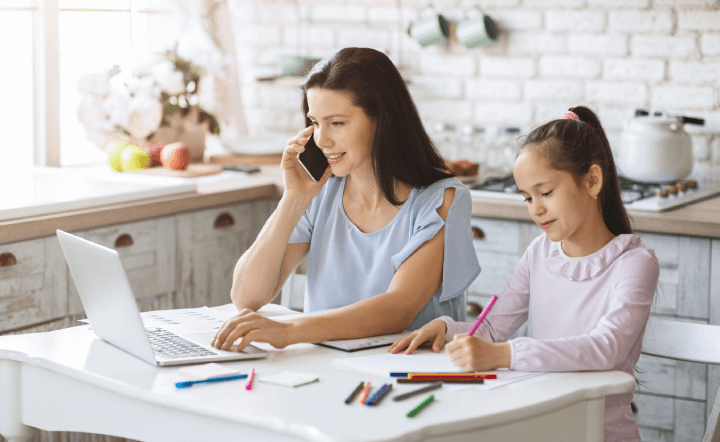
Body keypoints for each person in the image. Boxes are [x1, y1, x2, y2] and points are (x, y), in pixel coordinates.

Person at [389, 106, 660, 442]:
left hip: (598, 432)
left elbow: (606, 349)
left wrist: (505, 354)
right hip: (542, 424)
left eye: (545, 193)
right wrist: (444, 329)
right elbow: (490, 327)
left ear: (592, 181)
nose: (536, 209)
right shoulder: (539, 253)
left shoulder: (634, 263)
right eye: (527, 198)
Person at [211, 47, 480, 353]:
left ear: (384, 118)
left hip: (408, 374)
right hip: (330, 369)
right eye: (315, 122)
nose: (322, 140)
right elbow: (246, 296)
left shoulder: (441, 200)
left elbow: (398, 309)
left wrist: (288, 331)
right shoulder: (322, 191)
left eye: (337, 123)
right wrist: (293, 200)